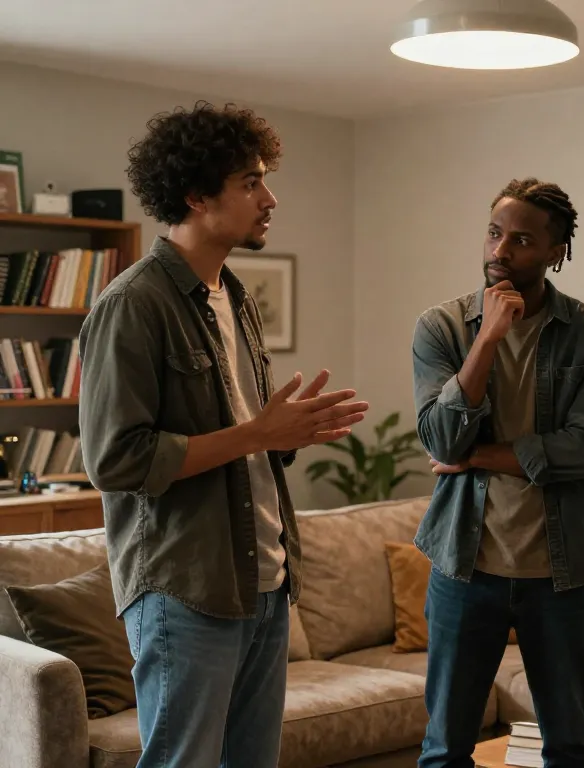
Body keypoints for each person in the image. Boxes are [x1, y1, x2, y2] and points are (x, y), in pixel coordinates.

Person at [78, 101, 369, 768]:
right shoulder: (132, 304)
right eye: (250, 182)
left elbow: (241, 432)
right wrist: (257, 433)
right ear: (194, 194)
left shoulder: (234, 296)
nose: (269, 198)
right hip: (184, 587)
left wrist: (285, 432)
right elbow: (116, 459)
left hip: (262, 581)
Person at [411, 177, 584, 768]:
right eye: (494, 233)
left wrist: (475, 457)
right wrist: (488, 341)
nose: (499, 251)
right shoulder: (443, 328)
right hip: (463, 565)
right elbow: (441, 437)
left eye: (522, 240)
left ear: (556, 253)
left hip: (560, 572)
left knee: (569, 749)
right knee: (444, 750)